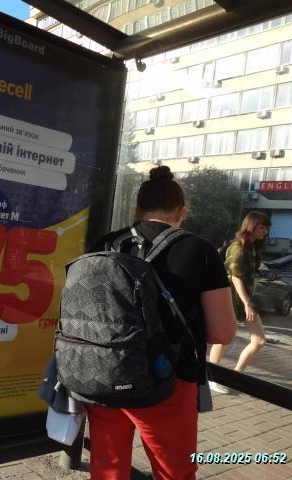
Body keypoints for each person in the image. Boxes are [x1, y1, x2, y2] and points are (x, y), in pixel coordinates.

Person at [86, 166, 236, 480]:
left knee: (108, 468)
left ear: (137, 208)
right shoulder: (199, 250)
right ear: (181, 210)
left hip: (103, 372)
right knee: (173, 472)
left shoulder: (106, 243)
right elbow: (222, 332)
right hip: (167, 380)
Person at [208, 211, 271, 394]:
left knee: (259, 341)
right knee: (222, 339)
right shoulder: (239, 247)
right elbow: (236, 277)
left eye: (266, 228)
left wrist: (265, 275)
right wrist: (247, 303)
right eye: (262, 227)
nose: (265, 231)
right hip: (231, 299)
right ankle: (212, 377)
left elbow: (248, 274)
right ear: (251, 226)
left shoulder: (252, 247)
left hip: (243, 301)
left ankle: (235, 377)